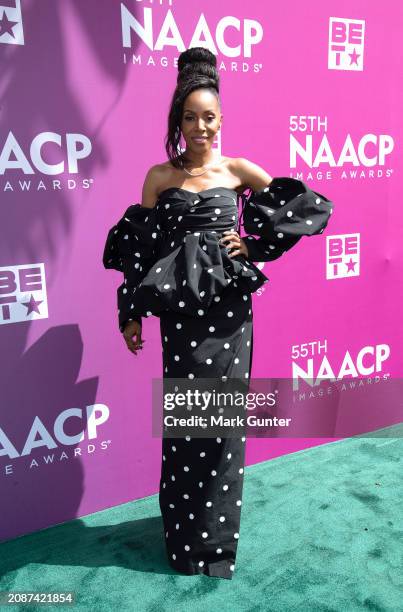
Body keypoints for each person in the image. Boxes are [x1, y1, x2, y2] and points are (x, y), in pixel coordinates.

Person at [103, 47, 333, 579]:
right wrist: (131, 315)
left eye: (209, 116)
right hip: (181, 320)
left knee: (222, 423)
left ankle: (213, 550)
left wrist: (252, 247)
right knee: (187, 423)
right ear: (178, 122)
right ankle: (182, 540)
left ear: (221, 120)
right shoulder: (159, 177)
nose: (200, 126)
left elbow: (303, 208)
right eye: (190, 116)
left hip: (230, 317)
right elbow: (138, 255)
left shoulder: (239, 169)